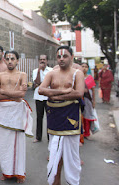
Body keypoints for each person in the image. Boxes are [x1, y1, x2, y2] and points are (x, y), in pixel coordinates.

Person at [39, 46, 85, 185]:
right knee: (55, 154)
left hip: (71, 118)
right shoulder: (52, 73)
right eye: (59, 56)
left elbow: (78, 93)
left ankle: (72, 182)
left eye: (64, 56)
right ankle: (55, 182)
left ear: (71, 56)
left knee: (71, 156)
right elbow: (41, 89)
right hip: (54, 118)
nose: (61, 59)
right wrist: (64, 92)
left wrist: (52, 94)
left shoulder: (78, 73)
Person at [0, 51, 33, 183]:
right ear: (4, 61)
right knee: (4, 144)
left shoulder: (23, 75)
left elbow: (21, 94)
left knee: (18, 143)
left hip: (17, 112)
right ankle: (6, 172)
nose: (10, 61)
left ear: (17, 61)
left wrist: (4, 91)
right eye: (8, 59)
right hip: (4, 112)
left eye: (13, 59)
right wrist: (13, 95)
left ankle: (19, 173)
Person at [32, 54, 52, 143]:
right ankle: (38, 137)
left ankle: (50, 137)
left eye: (44, 59)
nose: (42, 61)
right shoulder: (35, 71)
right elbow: (36, 82)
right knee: (39, 117)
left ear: (47, 61)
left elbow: (50, 83)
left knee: (50, 117)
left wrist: (41, 84)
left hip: (49, 97)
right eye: (41, 59)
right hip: (38, 97)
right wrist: (39, 70)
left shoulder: (51, 71)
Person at [81, 63, 97, 139]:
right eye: (82, 66)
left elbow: (93, 91)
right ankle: (81, 133)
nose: (84, 68)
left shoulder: (90, 78)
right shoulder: (78, 77)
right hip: (80, 99)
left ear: (88, 69)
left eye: (86, 67)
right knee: (80, 117)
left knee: (87, 116)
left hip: (88, 99)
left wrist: (94, 101)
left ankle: (87, 133)